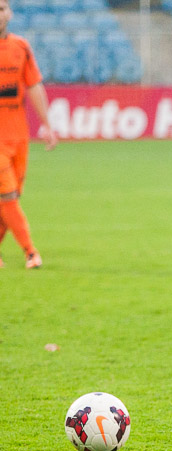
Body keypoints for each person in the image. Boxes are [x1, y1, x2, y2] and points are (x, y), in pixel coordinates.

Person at [0, 0, 57, 269]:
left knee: (9, 199)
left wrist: (46, 124)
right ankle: (31, 252)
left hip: (18, 137)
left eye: (1, 8)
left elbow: (33, 85)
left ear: (9, 13)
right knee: (7, 195)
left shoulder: (20, 47)